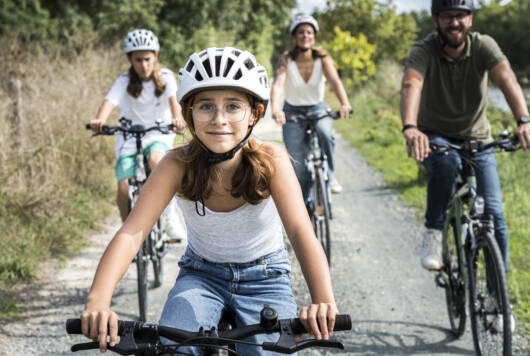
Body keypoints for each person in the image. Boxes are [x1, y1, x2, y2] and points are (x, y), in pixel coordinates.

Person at [80, 47, 338, 355]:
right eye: (205, 106)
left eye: (232, 106)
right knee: (175, 348)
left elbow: (299, 230)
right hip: (201, 275)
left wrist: (323, 300)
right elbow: (132, 233)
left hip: (266, 278)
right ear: (189, 112)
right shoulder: (176, 164)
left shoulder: (272, 160)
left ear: (254, 112)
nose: (219, 119)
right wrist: (98, 301)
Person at [400, 0, 529, 291]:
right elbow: (412, 85)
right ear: (436, 19)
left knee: (494, 215)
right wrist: (410, 127)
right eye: (448, 16)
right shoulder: (424, 50)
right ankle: (434, 231)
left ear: (470, 19)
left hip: (478, 137)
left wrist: (524, 119)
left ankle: (499, 297)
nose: (454, 22)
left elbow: (506, 78)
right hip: (435, 136)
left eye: (461, 16)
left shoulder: (483, 46)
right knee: (445, 164)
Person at [89, 29, 186, 239]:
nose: (143, 65)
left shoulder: (166, 77)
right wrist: (100, 120)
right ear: (130, 60)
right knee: (124, 189)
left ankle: (170, 217)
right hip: (129, 137)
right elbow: (109, 102)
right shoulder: (124, 80)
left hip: (158, 133)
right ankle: (130, 236)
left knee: (156, 160)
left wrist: (178, 118)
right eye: (138, 60)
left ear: (156, 56)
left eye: (147, 59)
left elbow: (174, 102)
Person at [270, 15, 352, 199]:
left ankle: (329, 175)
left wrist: (345, 103)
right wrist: (275, 108)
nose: (305, 35)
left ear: (314, 36)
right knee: (298, 164)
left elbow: (335, 82)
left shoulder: (322, 58)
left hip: (317, 108)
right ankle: (305, 201)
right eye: (300, 32)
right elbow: (277, 84)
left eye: (309, 32)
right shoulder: (286, 59)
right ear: (294, 37)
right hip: (292, 110)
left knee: (325, 132)